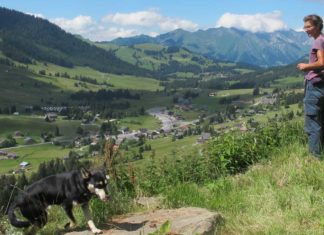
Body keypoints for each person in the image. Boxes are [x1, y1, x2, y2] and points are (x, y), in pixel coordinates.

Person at [297, 14, 324, 159]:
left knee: (312, 122)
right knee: (321, 120)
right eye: (304, 26)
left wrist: (306, 66)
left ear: (317, 26)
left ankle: (315, 157)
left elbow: (321, 63)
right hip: (322, 85)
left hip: (315, 86)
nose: (305, 29)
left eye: (308, 27)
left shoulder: (318, 42)